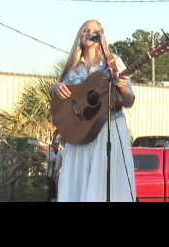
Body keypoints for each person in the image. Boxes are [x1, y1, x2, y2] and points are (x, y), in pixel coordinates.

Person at [53, 19, 137, 202]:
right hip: (79, 137)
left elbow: (129, 100)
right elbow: (64, 107)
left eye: (93, 31)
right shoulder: (72, 69)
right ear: (79, 35)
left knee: (105, 192)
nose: (88, 33)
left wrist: (123, 88)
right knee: (78, 190)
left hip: (108, 132)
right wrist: (57, 90)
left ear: (101, 37)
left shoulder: (113, 63)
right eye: (85, 29)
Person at [46, 132, 62, 202]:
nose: (56, 146)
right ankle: (50, 199)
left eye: (57, 144)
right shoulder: (50, 152)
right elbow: (49, 159)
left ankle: (55, 199)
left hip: (57, 173)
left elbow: (59, 163)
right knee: (50, 188)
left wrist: (56, 171)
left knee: (56, 188)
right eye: (55, 144)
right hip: (50, 172)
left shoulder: (59, 153)